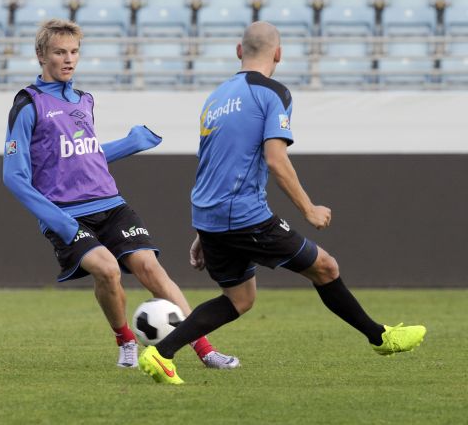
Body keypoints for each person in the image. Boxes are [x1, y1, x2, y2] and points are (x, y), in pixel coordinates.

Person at [138, 21, 426, 384]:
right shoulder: (272, 92)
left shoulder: (215, 97)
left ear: (239, 51)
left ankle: (161, 353)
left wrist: (201, 231)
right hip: (242, 213)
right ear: (279, 53)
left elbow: (212, 162)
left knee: (240, 299)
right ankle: (380, 337)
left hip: (211, 215)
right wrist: (309, 208)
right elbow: (276, 159)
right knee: (326, 268)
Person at [2, 18, 239, 370]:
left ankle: (205, 350)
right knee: (107, 270)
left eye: (74, 52)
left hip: (111, 204)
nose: (68, 59)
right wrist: (57, 221)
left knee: (151, 269)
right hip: (66, 213)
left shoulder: (85, 100)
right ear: (41, 56)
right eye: (59, 52)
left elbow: (82, 155)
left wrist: (130, 144)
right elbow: (14, 176)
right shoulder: (28, 103)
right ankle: (126, 341)